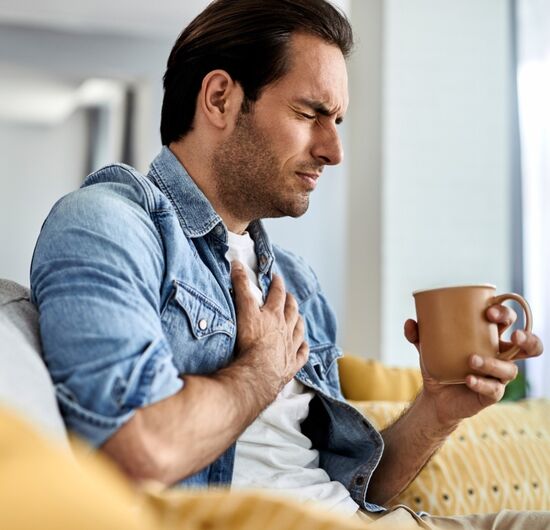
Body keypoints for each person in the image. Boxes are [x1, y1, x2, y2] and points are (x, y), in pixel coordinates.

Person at [31, 0, 546, 528]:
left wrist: (439, 409)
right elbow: (132, 452)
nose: (334, 150)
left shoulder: (293, 281)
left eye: (338, 120)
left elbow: (346, 488)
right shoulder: (110, 224)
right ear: (219, 98)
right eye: (309, 114)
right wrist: (258, 374)